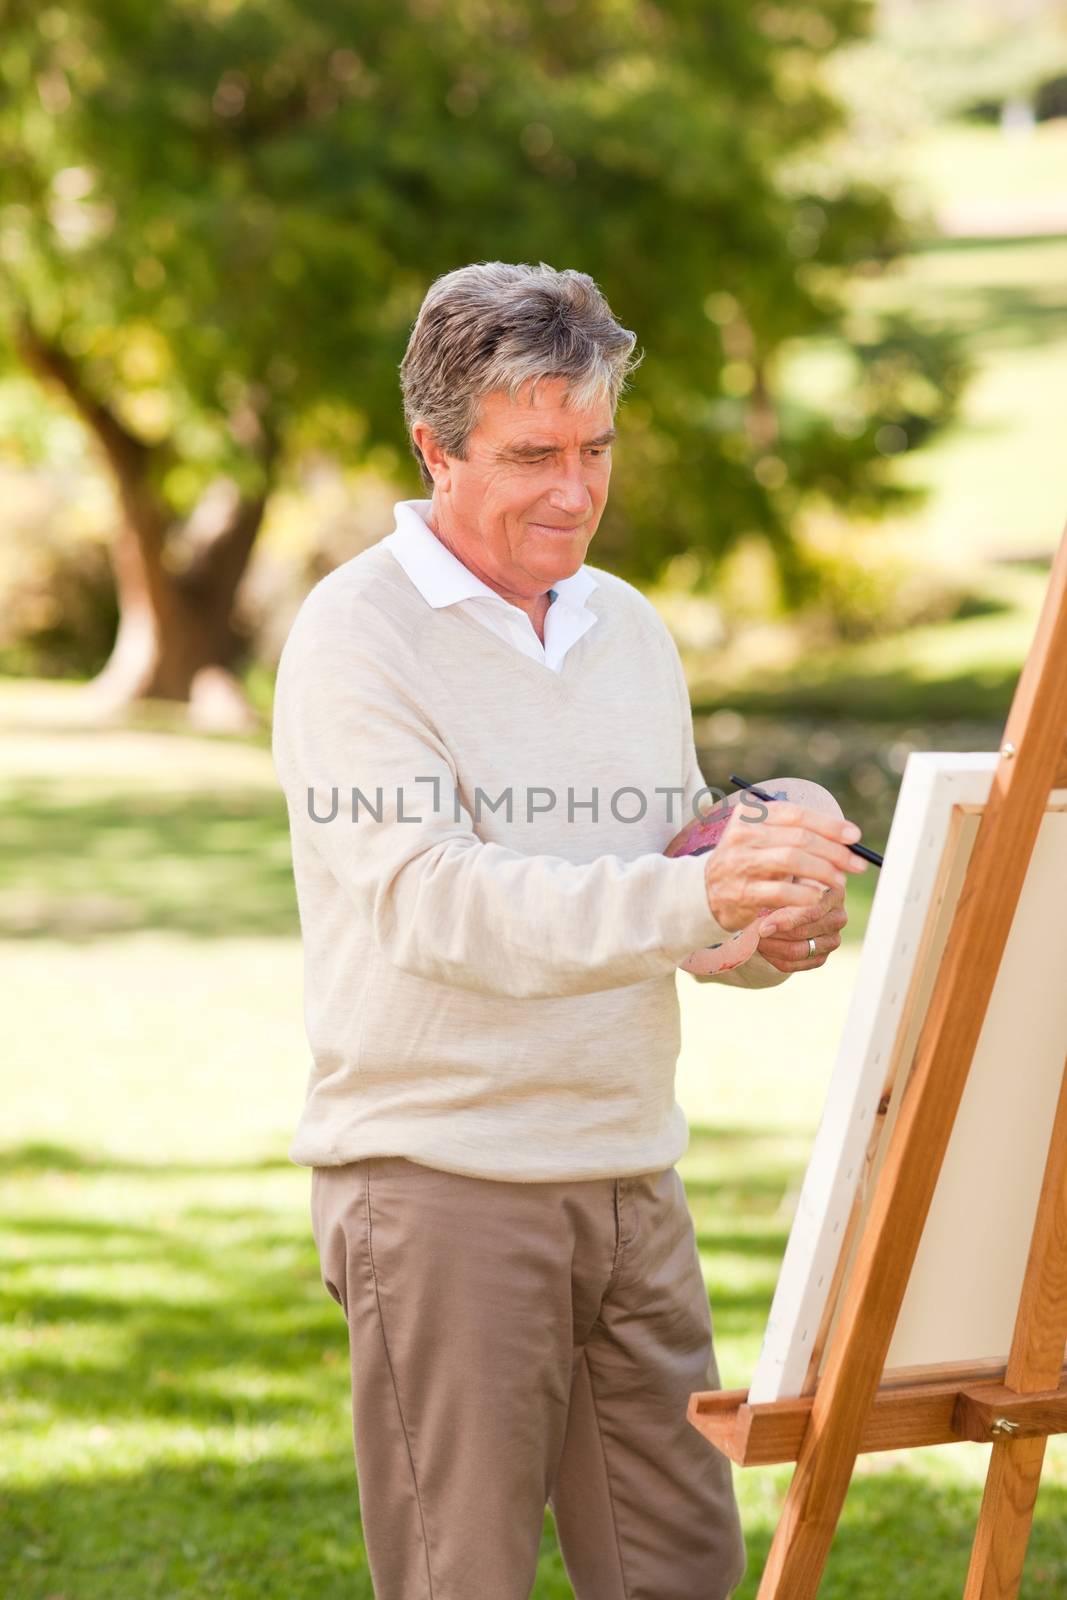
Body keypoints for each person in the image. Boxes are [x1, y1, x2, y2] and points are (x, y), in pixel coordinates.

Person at [271, 261, 864, 1600]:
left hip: (631, 1178)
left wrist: (764, 915)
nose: (576, 490)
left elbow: (660, 870)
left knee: (684, 1574)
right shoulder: (356, 636)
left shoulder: (627, 625)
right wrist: (691, 895)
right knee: (458, 1580)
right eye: (534, 453)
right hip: (441, 1188)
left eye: (597, 447)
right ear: (435, 447)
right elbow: (435, 899)